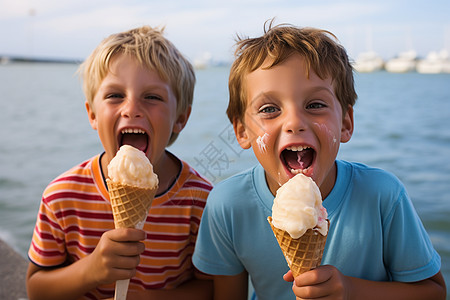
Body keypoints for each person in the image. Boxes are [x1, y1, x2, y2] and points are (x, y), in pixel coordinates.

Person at [192, 21, 446, 300]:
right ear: (241, 130)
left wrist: (351, 291)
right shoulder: (228, 206)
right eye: (269, 109)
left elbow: (432, 291)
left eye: (315, 105)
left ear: (346, 122)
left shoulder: (383, 195)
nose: (294, 122)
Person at [27, 26, 213, 300]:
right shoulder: (61, 196)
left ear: (180, 119)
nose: (131, 108)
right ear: (92, 114)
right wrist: (92, 270)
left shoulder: (200, 201)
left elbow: (211, 289)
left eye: (152, 97)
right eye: (115, 95)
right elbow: (37, 290)